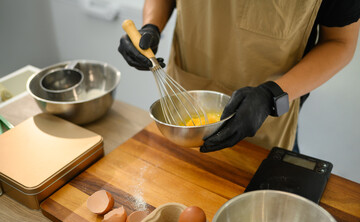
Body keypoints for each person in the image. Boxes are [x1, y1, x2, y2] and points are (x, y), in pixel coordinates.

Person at [119, 0, 360, 153]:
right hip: (186, 108)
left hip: (266, 121)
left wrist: (270, 96)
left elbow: (340, 43)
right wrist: (150, 26)